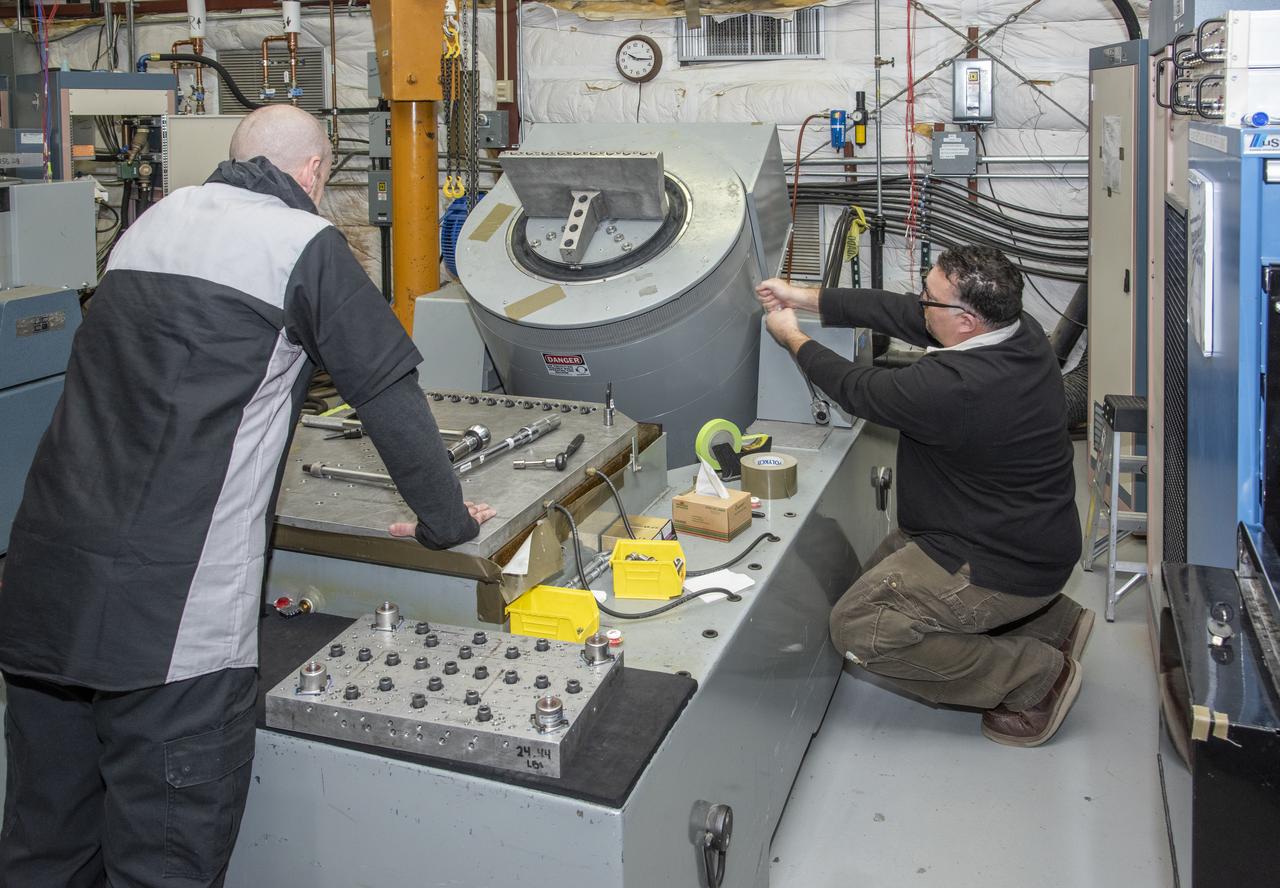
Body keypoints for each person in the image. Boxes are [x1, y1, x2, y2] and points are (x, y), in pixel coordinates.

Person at [0, 105, 494, 887]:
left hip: (41, 599)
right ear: (316, 172)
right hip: (172, 633)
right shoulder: (302, 243)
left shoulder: (148, 227)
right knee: (160, 865)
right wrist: (447, 522)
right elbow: (389, 395)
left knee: (45, 854)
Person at [756, 244, 1086, 747]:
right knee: (877, 576)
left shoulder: (954, 385)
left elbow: (858, 389)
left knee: (860, 626)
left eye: (929, 299)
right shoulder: (1021, 333)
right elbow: (900, 311)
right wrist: (801, 296)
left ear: (967, 321)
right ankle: (1053, 622)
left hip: (998, 560)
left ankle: (1035, 677)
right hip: (1030, 536)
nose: (918, 304)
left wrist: (793, 337)